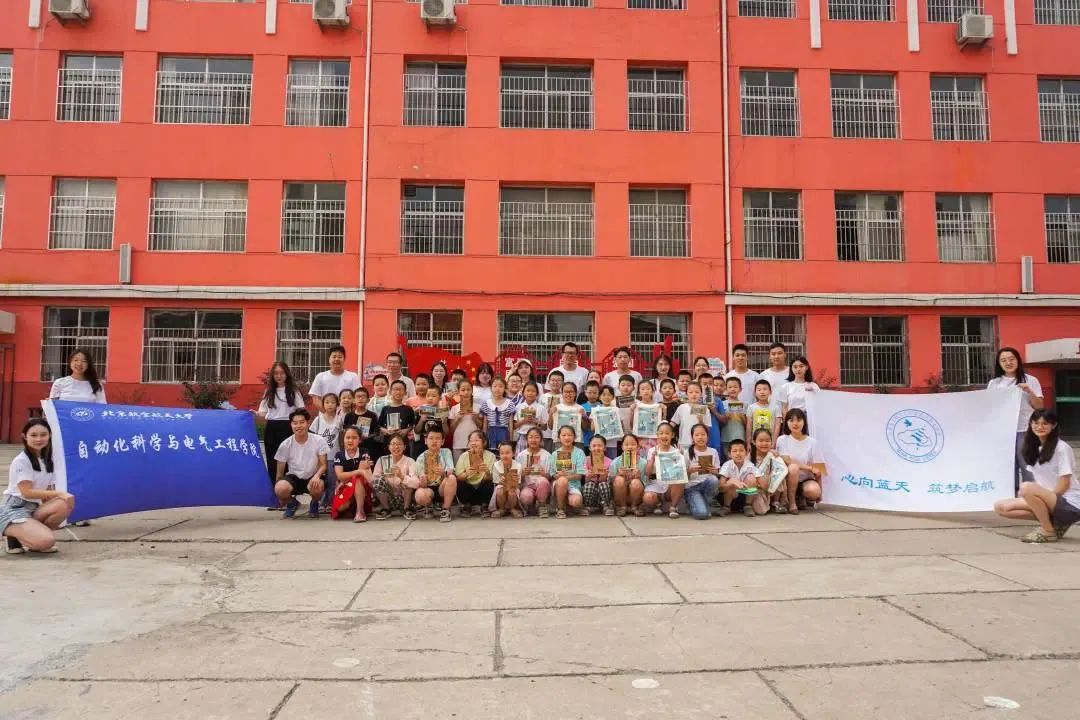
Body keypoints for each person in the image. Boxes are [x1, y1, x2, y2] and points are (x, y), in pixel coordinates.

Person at [994, 409, 1080, 543]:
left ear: (1054, 425)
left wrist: (1045, 499)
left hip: (1070, 503)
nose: (1040, 427)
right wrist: (1039, 499)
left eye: (1045, 423)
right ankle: (1056, 523)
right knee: (1001, 507)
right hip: (1050, 499)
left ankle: (1048, 531)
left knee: (1026, 487)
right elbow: (1039, 481)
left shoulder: (1062, 448)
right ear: (1030, 424)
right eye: (1036, 423)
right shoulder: (1032, 447)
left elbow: (1065, 483)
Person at [3, 419, 73, 555]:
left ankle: (33, 538)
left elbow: (48, 491)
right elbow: (27, 492)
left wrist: (59, 501)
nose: (39, 439)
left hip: (34, 507)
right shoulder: (21, 461)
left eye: (43, 435)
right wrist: (59, 493)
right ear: (25, 436)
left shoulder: (49, 460)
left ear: (50, 435)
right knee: (47, 541)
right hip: (15, 507)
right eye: (33, 435)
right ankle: (13, 535)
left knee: (64, 503)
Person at [988, 347, 1045, 490]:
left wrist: (1029, 391)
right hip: (1003, 433)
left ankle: (1031, 498)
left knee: (1029, 469)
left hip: (1025, 431)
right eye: (1003, 360)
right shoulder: (994, 383)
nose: (1008, 362)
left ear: (1018, 360)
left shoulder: (1030, 380)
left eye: (1011, 359)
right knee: (1007, 471)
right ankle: (1011, 498)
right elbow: (990, 408)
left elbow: (1040, 406)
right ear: (999, 364)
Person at [256, 361, 306, 501]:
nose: (279, 376)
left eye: (282, 373)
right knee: (272, 461)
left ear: (287, 374)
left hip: (288, 428)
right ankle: (276, 496)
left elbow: (301, 410)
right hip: (271, 428)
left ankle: (289, 495)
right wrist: (256, 415)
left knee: (289, 461)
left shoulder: (293, 391)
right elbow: (263, 412)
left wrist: (299, 426)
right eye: (276, 373)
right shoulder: (269, 392)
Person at [273, 409, 329, 519]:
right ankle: (292, 504)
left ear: (308, 423)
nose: (298, 426)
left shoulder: (319, 440)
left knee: (317, 485)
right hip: (294, 477)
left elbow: (324, 465)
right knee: (280, 487)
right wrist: (279, 494)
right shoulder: (285, 444)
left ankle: (314, 503)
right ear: (291, 425)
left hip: (313, 476)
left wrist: (317, 476)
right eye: (295, 423)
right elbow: (279, 473)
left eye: (302, 422)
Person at [777, 408, 824, 514]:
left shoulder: (812, 442)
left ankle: (801, 496)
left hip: (805, 480)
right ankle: (792, 502)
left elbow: (819, 469)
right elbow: (787, 460)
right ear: (786, 423)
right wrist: (809, 468)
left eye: (798, 420)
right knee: (793, 467)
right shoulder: (782, 439)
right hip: (787, 479)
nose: (795, 423)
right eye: (791, 420)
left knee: (814, 491)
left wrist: (820, 492)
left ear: (804, 422)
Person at [411, 427, 457, 522]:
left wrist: (443, 472)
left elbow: (451, 470)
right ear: (426, 441)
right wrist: (423, 482)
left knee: (452, 478)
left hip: (442, 487)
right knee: (420, 494)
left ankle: (445, 509)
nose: (434, 441)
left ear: (442, 441)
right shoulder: (421, 458)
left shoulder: (446, 452)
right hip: (429, 488)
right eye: (431, 438)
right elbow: (420, 480)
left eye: (437, 438)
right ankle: (429, 506)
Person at [644, 422, 687, 518]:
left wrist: (680, 458)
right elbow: (647, 473)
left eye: (667, 433)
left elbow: (681, 473)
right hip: (656, 483)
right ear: (657, 435)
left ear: (672, 435)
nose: (664, 436)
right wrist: (652, 459)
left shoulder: (676, 451)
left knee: (680, 480)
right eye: (661, 433)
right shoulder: (652, 450)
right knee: (648, 498)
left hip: (670, 484)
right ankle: (657, 504)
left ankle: (673, 507)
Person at [308, 393, 343, 508]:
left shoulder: (339, 420)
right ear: (323, 404)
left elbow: (342, 437)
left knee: (332, 480)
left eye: (333, 402)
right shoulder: (318, 419)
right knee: (322, 480)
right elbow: (311, 436)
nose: (330, 405)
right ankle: (321, 503)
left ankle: (330, 503)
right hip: (320, 457)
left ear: (337, 404)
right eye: (327, 402)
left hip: (334, 456)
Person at [372, 435, 418, 520]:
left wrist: (402, 477)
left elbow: (416, 483)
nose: (396, 447)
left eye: (399, 444)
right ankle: (386, 508)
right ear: (388, 447)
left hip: (404, 498)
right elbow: (374, 481)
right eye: (393, 444)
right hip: (389, 498)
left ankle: (406, 509)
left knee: (408, 481)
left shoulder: (410, 461)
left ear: (404, 447)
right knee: (377, 480)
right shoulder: (382, 460)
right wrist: (384, 478)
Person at [718, 438, 766, 517]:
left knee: (751, 477)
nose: (738, 453)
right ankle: (726, 507)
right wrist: (733, 482)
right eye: (734, 451)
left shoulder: (749, 465)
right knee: (731, 481)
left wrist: (757, 485)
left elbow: (763, 484)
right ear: (729, 454)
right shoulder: (727, 465)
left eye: (741, 450)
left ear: (746, 453)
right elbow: (720, 488)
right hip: (730, 497)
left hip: (745, 495)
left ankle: (748, 506)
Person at [333, 427, 373, 523]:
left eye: (354, 438)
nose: (350, 440)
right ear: (343, 439)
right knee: (341, 507)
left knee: (358, 479)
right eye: (348, 437)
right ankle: (352, 507)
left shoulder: (364, 452)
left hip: (361, 487)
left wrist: (344, 480)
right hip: (346, 486)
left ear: (359, 440)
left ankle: (360, 511)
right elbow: (340, 476)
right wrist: (358, 471)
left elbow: (362, 474)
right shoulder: (339, 455)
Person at [455, 431, 496, 517]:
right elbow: (458, 477)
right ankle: (467, 506)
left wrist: (487, 473)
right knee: (460, 483)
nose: (473, 443)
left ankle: (484, 506)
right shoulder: (464, 456)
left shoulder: (491, 456)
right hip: (468, 491)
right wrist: (466, 474)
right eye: (471, 440)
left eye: (476, 440)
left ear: (484, 442)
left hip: (482, 490)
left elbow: (493, 478)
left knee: (489, 483)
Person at [684, 424, 721, 520]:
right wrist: (690, 471)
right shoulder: (687, 452)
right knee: (702, 514)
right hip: (692, 488)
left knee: (713, 479)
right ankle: (700, 505)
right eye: (697, 435)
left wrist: (715, 471)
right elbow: (682, 476)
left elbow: (718, 473)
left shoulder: (713, 452)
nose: (700, 437)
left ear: (707, 436)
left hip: (707, 486)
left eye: (703, 434)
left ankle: (704, 503)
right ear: (692, 437)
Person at [549, 425, 587, 519]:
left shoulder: (579, 453)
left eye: (570, 435)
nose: (567, 438)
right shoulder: (555, 454)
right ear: (559, 437)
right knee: (562, 481)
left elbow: (580, 475)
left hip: (574, 485)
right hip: (559, 485)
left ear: (574, 437)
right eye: (564, 435)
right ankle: (560, 509)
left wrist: (567, 476)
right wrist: (559, 476)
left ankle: (568, 505)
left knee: (576, 502)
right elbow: (552, 473)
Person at [751, 428, 789, 514]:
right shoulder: (750, 457)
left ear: (771, 442)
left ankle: (776, 502)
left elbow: (781, 472)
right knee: (761, 511)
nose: (764, 443)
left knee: (778, 473)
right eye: (761, 441)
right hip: (758, 487)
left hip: (771, 485)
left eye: (767, 441)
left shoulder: (773, 455)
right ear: (754, 442)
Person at [516, 427, 552, 517]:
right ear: (526, 439)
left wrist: (544, 474)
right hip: (527, 485)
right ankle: (530, 506)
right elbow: (516, 478)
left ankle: (542, 505)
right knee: (526, 497)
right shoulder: (521, 456)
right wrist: (523, 474)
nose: (533, 440)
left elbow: (551, 476)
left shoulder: (547, 455)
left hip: (542, 485)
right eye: (531, 437)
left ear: (541, 440)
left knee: (542, 481)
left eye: (536, 437)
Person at [376, 380, 417, 457]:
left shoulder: (408, 409)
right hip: (388, 443)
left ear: (405, 393)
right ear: (390, 392)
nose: (398, 392)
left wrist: (406, 430)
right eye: (395, 389)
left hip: (403, 443)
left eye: (400, 390)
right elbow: (379, 425)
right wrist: (386, 431)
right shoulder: (385, 409)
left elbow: (412, 425)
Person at [611, 433, 647, 516]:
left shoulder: (644, 463)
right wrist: (618, 474)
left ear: (638, 447)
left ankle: (634, 507)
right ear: (622, 447)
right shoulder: (615, 462)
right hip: (619, 496)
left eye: (633, 444)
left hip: (637, 496)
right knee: (619, 479)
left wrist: (639, 477)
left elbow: (648, 483)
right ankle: (622, 507)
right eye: (626, 444)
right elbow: (610, 482)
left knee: (636, 482)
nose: (630, 447)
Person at [670, 381, 712, 451]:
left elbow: (707, 429)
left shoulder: (705, 409)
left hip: (699, 443)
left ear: (701, 394)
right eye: (691, 392)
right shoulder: (682, 407)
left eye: (697, 392)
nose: (694, 394)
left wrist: (701, 421)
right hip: (684, 442)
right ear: (686, 394)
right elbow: (673, 423)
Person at [412, 384, 449, 457]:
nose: (430, 398)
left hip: (437, 444)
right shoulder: (421, 410)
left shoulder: (443, 411)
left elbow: (446, 433)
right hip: (422, 444)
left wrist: (444, 422)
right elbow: (416, 431)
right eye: (428, 396)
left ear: (440, 398)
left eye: (434, 396)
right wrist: (421, 420)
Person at [448, 380, 481, 462]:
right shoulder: (454, 408)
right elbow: (451, 429)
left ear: (472, 391)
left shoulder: (478, 407)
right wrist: (457, 419)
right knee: (458, 467)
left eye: (468, 389)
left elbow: (481, 427)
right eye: (463, 390)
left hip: (474, 443)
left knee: (473, 467)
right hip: (458, 443)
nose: (466, 392)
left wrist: (475, 419)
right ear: (458, 392)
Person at [550, 382, 589, 448]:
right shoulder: (556, 408)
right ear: (562, 393)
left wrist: (584, 417)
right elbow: (551, 427)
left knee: (577, 455)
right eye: (566, 392)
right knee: (560, 455)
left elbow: (585, 428)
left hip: (577, 442)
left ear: (575, 393)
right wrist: (551, 414)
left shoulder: (580, 408)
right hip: (559, 443)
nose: (568, 394)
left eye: (571, 392)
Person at [491, 441, 524, 519]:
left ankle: (512, 508)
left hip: (513, 488)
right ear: (499, 454)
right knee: (500, 489)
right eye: (502, 453)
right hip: (500, 488)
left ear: (513, 454)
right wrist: (501, 482)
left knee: (511, 491)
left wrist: (515, 481)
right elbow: (495, 483)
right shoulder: (496, 465)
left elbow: (519, 484)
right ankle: (501, 508)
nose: (504, 455)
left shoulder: (518, 466)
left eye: (507, 453)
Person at [512, 381, 548, 453]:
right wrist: (523, 421)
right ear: (523, 393)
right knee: (522, 458)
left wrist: (536, 422)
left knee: (536, 457)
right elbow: (514, 426)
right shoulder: (519, 407)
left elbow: (545, 427)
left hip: (536, 438)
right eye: (528, 391)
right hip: (522, 437)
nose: (530, 393)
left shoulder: (541, 408)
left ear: (537, 394)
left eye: (533, 391)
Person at [480, 377, 514, 451]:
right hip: (490, 433)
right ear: (491, 388)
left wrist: (511, 440)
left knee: (503, 452)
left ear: (505, 388)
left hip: (504, 433)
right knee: (491, 453)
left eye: (501, 386)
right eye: (495, 386)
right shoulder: (486, 403)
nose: (497, 388)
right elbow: (485, 424)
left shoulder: (509, 403)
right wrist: (484, 439)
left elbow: (510, 425)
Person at [583, 435, 614, 516]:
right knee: (589, 484)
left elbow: (610, 481)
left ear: (605, 448)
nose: (597, 448)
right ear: (589, 448)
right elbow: (584, 480)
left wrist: (604, 477)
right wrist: (589, 476)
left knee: (603, 484)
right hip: (590, 493)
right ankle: (588, 506)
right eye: (594, 446)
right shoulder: (586, 460)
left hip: (604, 493)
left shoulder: (610, 461)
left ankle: (606, 506)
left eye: (600, 446)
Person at [631, 380, 662, 453]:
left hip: (654, 439)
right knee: (639, 458)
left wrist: (664, 410)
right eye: (642, 389)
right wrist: (632, 412)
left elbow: (661, 424)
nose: (646, 391)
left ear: (653, 391)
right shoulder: (636, 406)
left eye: (648, 389)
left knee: (653, 457)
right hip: (640, 438)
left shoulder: (658, 406)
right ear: (639, 392)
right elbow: (631, 424)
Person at [539, 370, 564, 451]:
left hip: (560, 435)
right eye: (553, 380)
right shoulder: (543, 397)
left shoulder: (564, 397)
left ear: (562, 382)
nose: (555, 382)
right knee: (546, 455)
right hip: (545, 434)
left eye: (558, 380)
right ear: (548, 382)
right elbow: (539, 415)